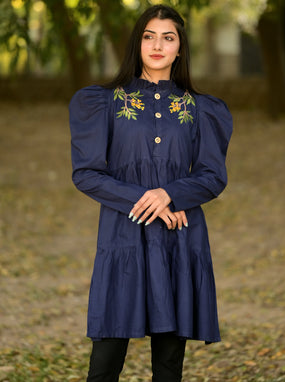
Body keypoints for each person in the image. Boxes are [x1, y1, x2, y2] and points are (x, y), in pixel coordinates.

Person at [69, 4, 233, 382]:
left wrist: (170, 195)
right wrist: (152, 202)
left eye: (168, 37)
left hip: (179, 240)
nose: (158, 45)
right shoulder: (104, 103)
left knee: (168, 367)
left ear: (180, 48)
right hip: (122, 238)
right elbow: (87, 174)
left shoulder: (201, 109)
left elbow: (212, 176)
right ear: (137, 44)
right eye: (149, 36)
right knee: (104, 365)